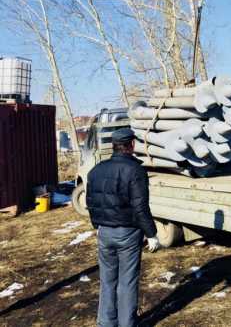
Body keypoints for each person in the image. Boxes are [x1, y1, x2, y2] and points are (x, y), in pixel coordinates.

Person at [86, 127, 160, 327]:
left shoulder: (96, 170)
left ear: (114, 145)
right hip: (128, 233)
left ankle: (106, 322)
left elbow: (90, 201)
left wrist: (97, 225)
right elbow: (140, 207)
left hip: (104, 232)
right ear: (132, 145)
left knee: (107, 280)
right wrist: (151, 233)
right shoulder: (135, 171)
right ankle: (127, 323)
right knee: (127, 280)